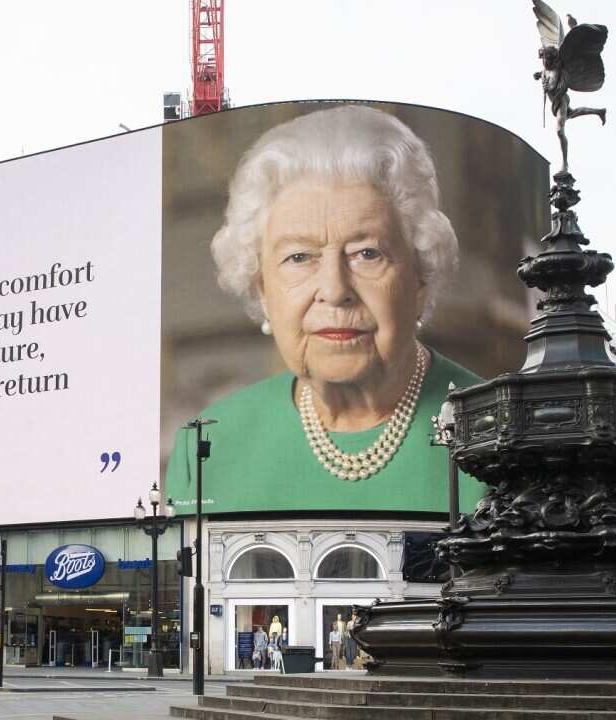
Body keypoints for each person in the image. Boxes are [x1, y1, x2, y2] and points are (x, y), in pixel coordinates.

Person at [166, 104, 482, 513]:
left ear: (420, 276)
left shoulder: (500, 434)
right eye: (299, 257)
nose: (334, 291)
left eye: (367, 253)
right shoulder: (207, 445)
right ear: (262, 289)